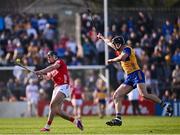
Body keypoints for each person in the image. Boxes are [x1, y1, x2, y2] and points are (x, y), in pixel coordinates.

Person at [97, 33, 173, 126]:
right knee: (116, 95)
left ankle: (165, 105)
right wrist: (101, 37)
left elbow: (122, 57)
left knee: (144, 94)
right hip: (129, 77)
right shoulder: (119, 47)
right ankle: (118, 119)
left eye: (116, 44)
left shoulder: (127, 49)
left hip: (137, 73)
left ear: (120, 44)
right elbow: (108, 42)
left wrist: (111, 60)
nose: (115, 46)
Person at [35, 51, 83, 132]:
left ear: (54, 56)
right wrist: (41, 76)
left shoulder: (59, 62)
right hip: (56, 88)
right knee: (57, 111)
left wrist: (41, 71)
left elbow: (53, 67)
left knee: (52, 105)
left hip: (64, 86)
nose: (48, 58)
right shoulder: (51, 69)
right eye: (47, 57)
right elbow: (47, 77)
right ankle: (76, 121)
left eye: (49, 56)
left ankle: (47, 127)